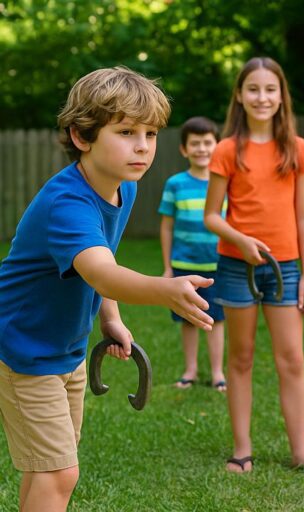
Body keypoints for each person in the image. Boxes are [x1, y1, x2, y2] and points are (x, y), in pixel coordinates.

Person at [0, 66, 215, 511]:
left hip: (65, 348)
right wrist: (164, 289)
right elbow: (101, 273)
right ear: (82, 136)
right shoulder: (68, 204)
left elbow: (104, 258)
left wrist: (111, 317)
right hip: (23, 348)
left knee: (49, 466)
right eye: (126, 132)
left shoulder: (120, 188)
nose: (143, 146)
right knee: (58, 471)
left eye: (150, 133)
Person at [204, 57, 304, 478]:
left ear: (282, 96)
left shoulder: (297, 149)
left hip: (286, 270)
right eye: (253, 89)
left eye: (270, 89)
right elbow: (212, 216)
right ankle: (242, 449)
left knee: (292, 359)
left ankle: (302, 452)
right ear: (240, 96)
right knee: (241, 357)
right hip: (236, 267)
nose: (262, 97)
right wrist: (241, 241)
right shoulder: (226, 150)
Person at [159, 116, 227, 392]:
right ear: (184, 149)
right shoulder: (175, 184)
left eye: (207, 143)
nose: (201, 149)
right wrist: (167, 266)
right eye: (195, 144)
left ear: (217, 146)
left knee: (217, 318)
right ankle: (190, 370)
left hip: (218, 264)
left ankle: (218, 373)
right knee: (188, 318)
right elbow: (167, 227)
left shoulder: (225, 182)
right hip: (184, 264)